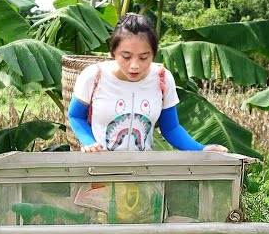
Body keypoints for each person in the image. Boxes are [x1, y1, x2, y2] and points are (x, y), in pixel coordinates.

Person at [67, 13, 228, 153]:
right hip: (99, 172)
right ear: (113, 52)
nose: (135, 65)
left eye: (144, 57)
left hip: (143, 172)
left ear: (154, 54)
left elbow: (170, 128)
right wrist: (89, 142)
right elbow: (75, 115)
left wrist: (201, 149)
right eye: (126, 56)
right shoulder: (93, 76)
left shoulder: (162, 79)